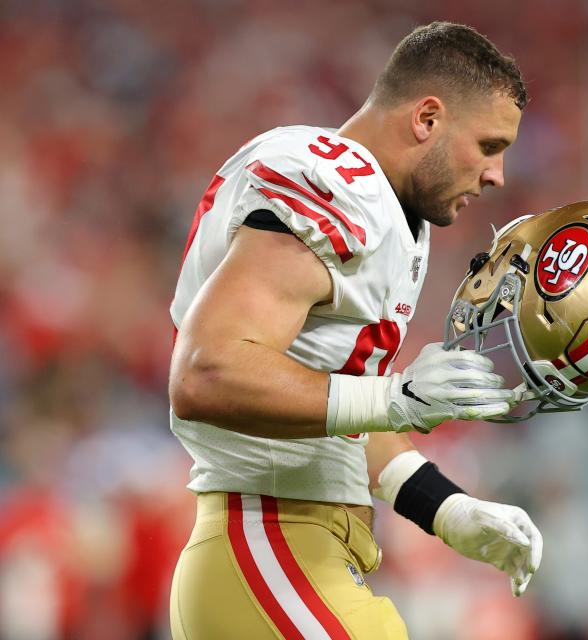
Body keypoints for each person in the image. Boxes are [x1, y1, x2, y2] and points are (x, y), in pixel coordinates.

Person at [167, 21, 541, 639]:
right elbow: (207, 371)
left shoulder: (383, 209)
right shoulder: (341, 191)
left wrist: (448, 510)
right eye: (489, 144)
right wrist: (392, 398)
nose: (497, 174)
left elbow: (326, 407)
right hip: (268, 546)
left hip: (285, 557)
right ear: (427, 118)